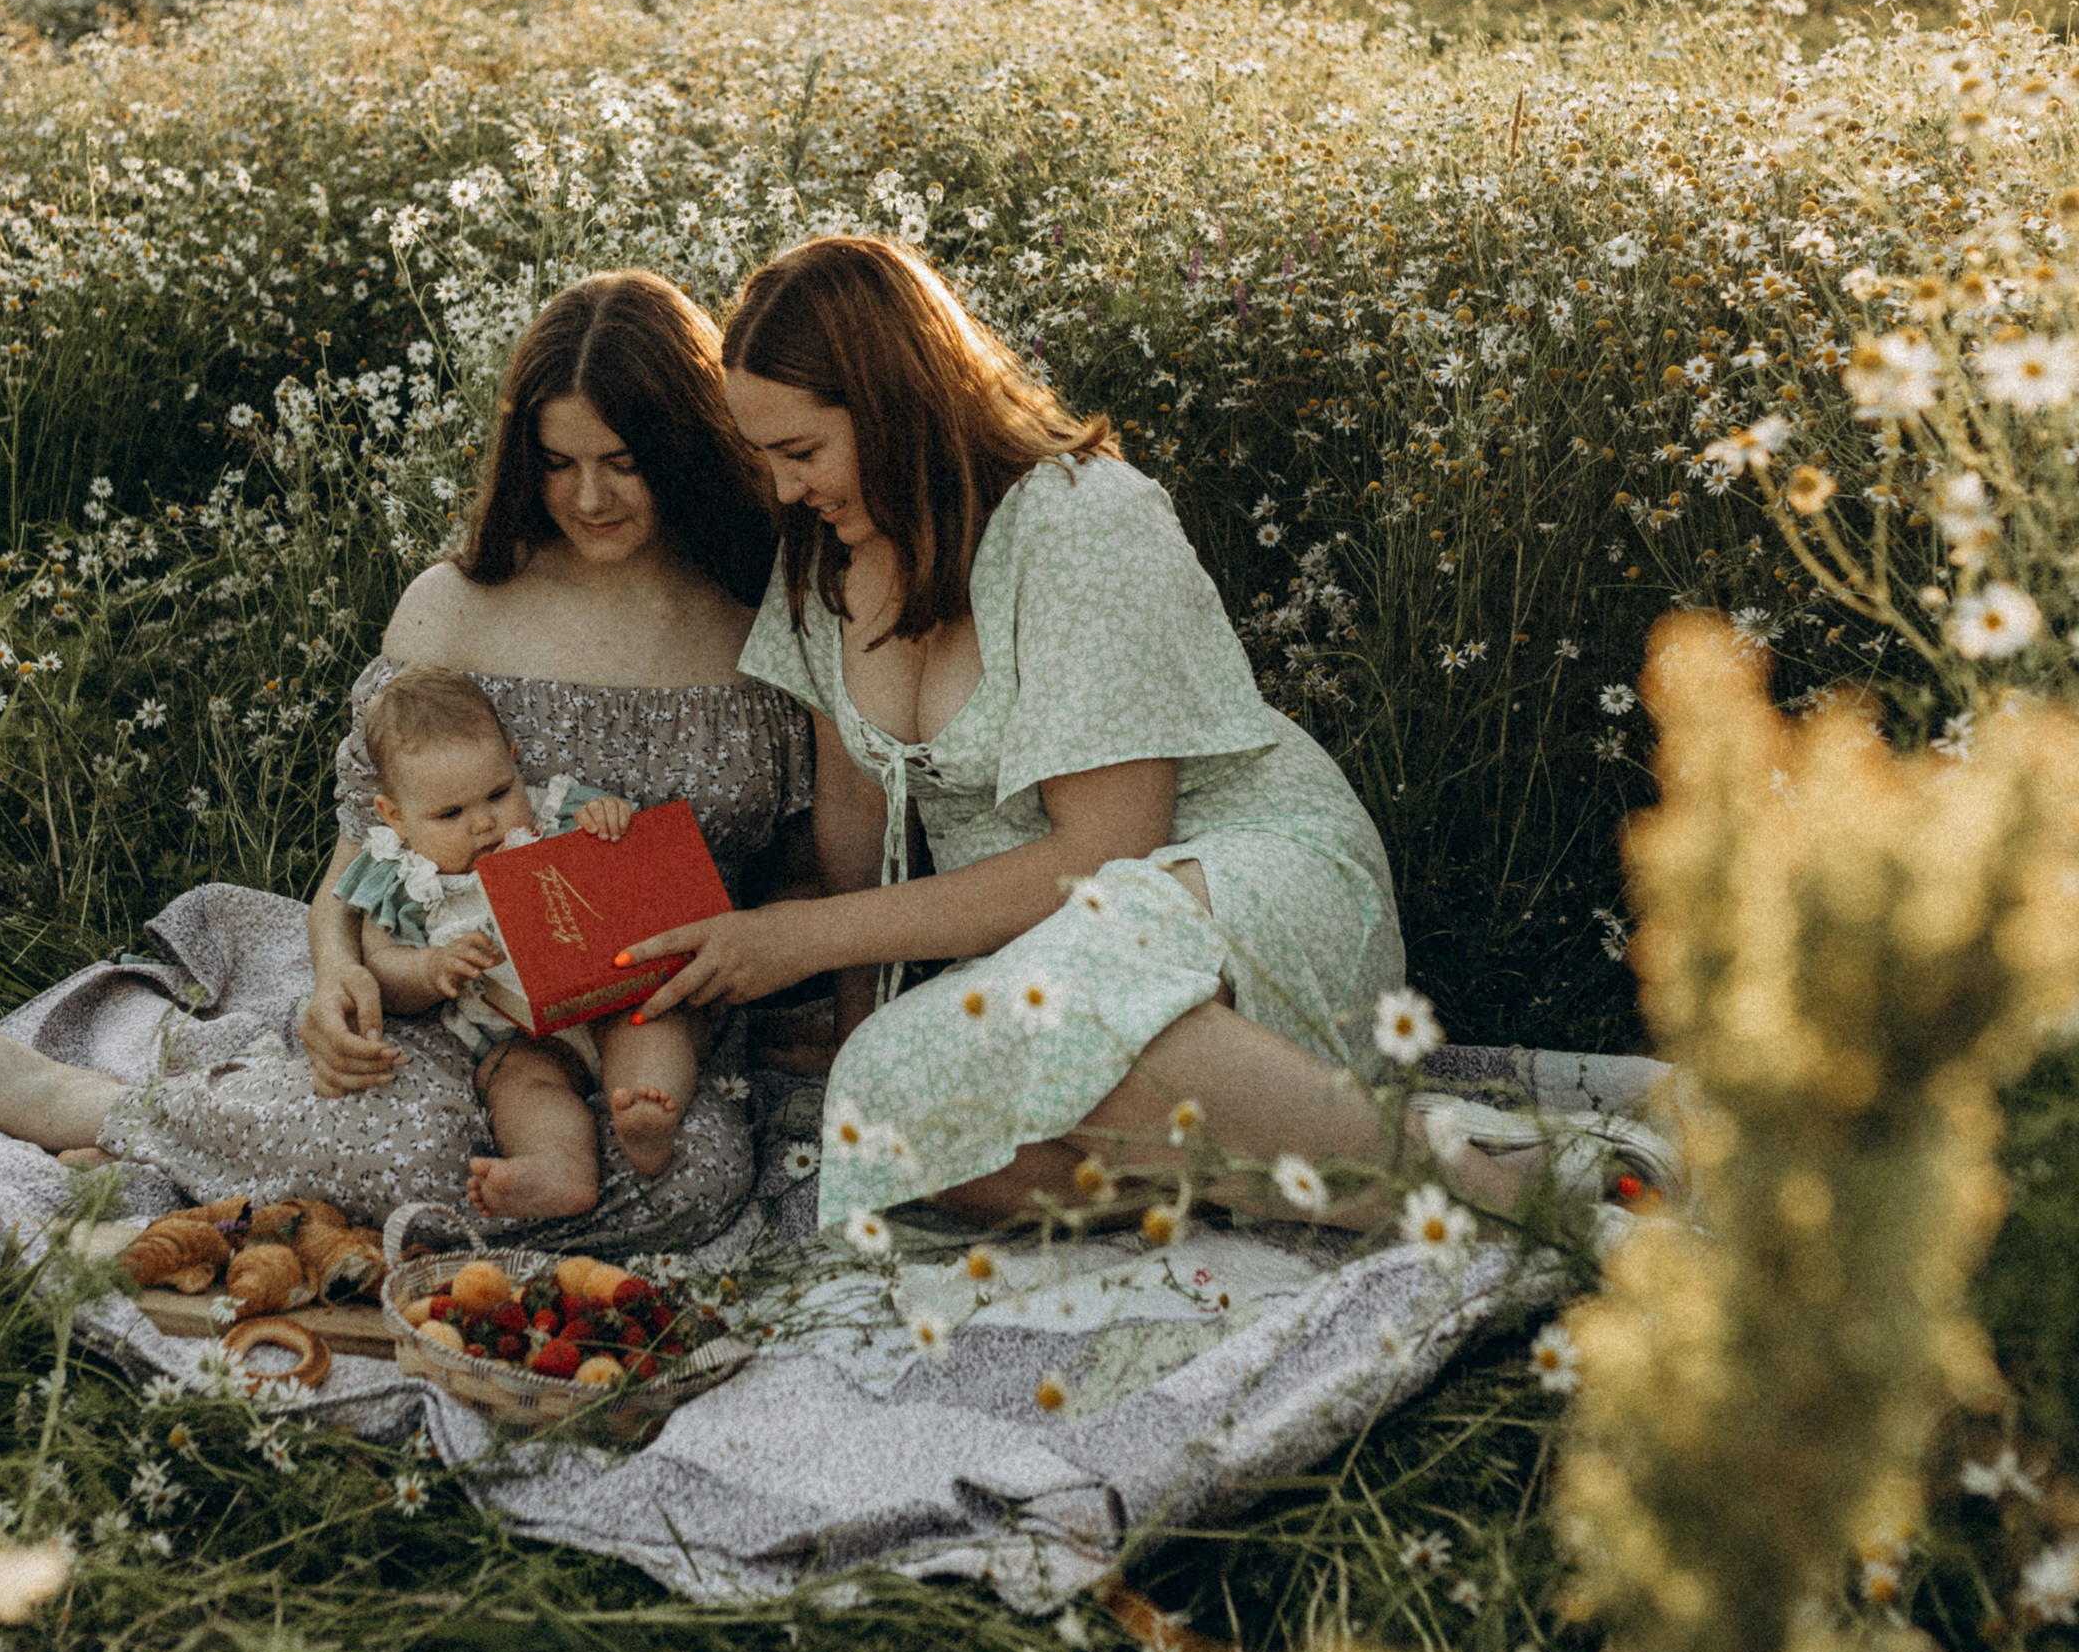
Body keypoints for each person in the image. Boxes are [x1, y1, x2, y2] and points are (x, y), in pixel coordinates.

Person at [617, 230, 1525, 1237]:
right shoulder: (821, 559)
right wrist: (854, 1025)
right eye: (766, 457)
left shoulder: (1080, 519)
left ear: (895, 410)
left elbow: (1106, 853)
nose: (786, 490)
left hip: (1233, 873)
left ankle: (1515, 1206)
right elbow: (853, 814)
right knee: (881, 1110)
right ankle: (1336, 1158)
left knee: (1075, 1006)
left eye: (801, 453)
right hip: (1048, 948)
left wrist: (793, 940)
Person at [0, 271, 811, 1256]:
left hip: (655, 1025)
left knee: (691, 1183)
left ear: (685, 447)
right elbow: (363, 852)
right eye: (558, 464)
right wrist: (336, 977)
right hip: (455, 1007)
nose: (588, 498)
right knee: (403, 1145)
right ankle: (91, 1107)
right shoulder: (455, 607)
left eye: (624, 464)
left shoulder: (770, 608)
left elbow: (809, 869)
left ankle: (237, 1147)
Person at [333, 663, 711, 1211]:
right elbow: (382, 967)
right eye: (450, 813)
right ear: (395, 817)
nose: (483, 823)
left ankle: (649, 1112)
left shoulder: (553, 814)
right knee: (514, 1085)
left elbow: (627, 862)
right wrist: (430, 969)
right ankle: (559, 1166)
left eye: (497, 793)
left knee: (654, 1025)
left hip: (611, 996)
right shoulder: (403, 877)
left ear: (514, 761)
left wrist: (610, 818)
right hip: (523, 1039)